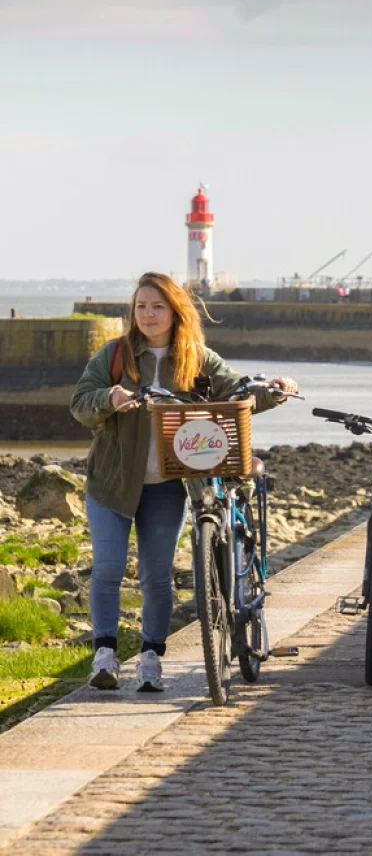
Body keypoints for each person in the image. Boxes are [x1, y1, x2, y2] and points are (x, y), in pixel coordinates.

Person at [71, 272, 298, 693]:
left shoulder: (197, 358)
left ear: (175, 312)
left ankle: (151, 658)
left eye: (158, 306)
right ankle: (104, 654)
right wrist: (110, 398)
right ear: (132, 311)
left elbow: (237, 393)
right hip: (111, 482)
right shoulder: (115, 356)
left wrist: (276, 391)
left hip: (167, 486)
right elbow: (80, 404)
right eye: (141, 306)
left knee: (157, 575)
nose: (148, 314)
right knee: (107, 567)